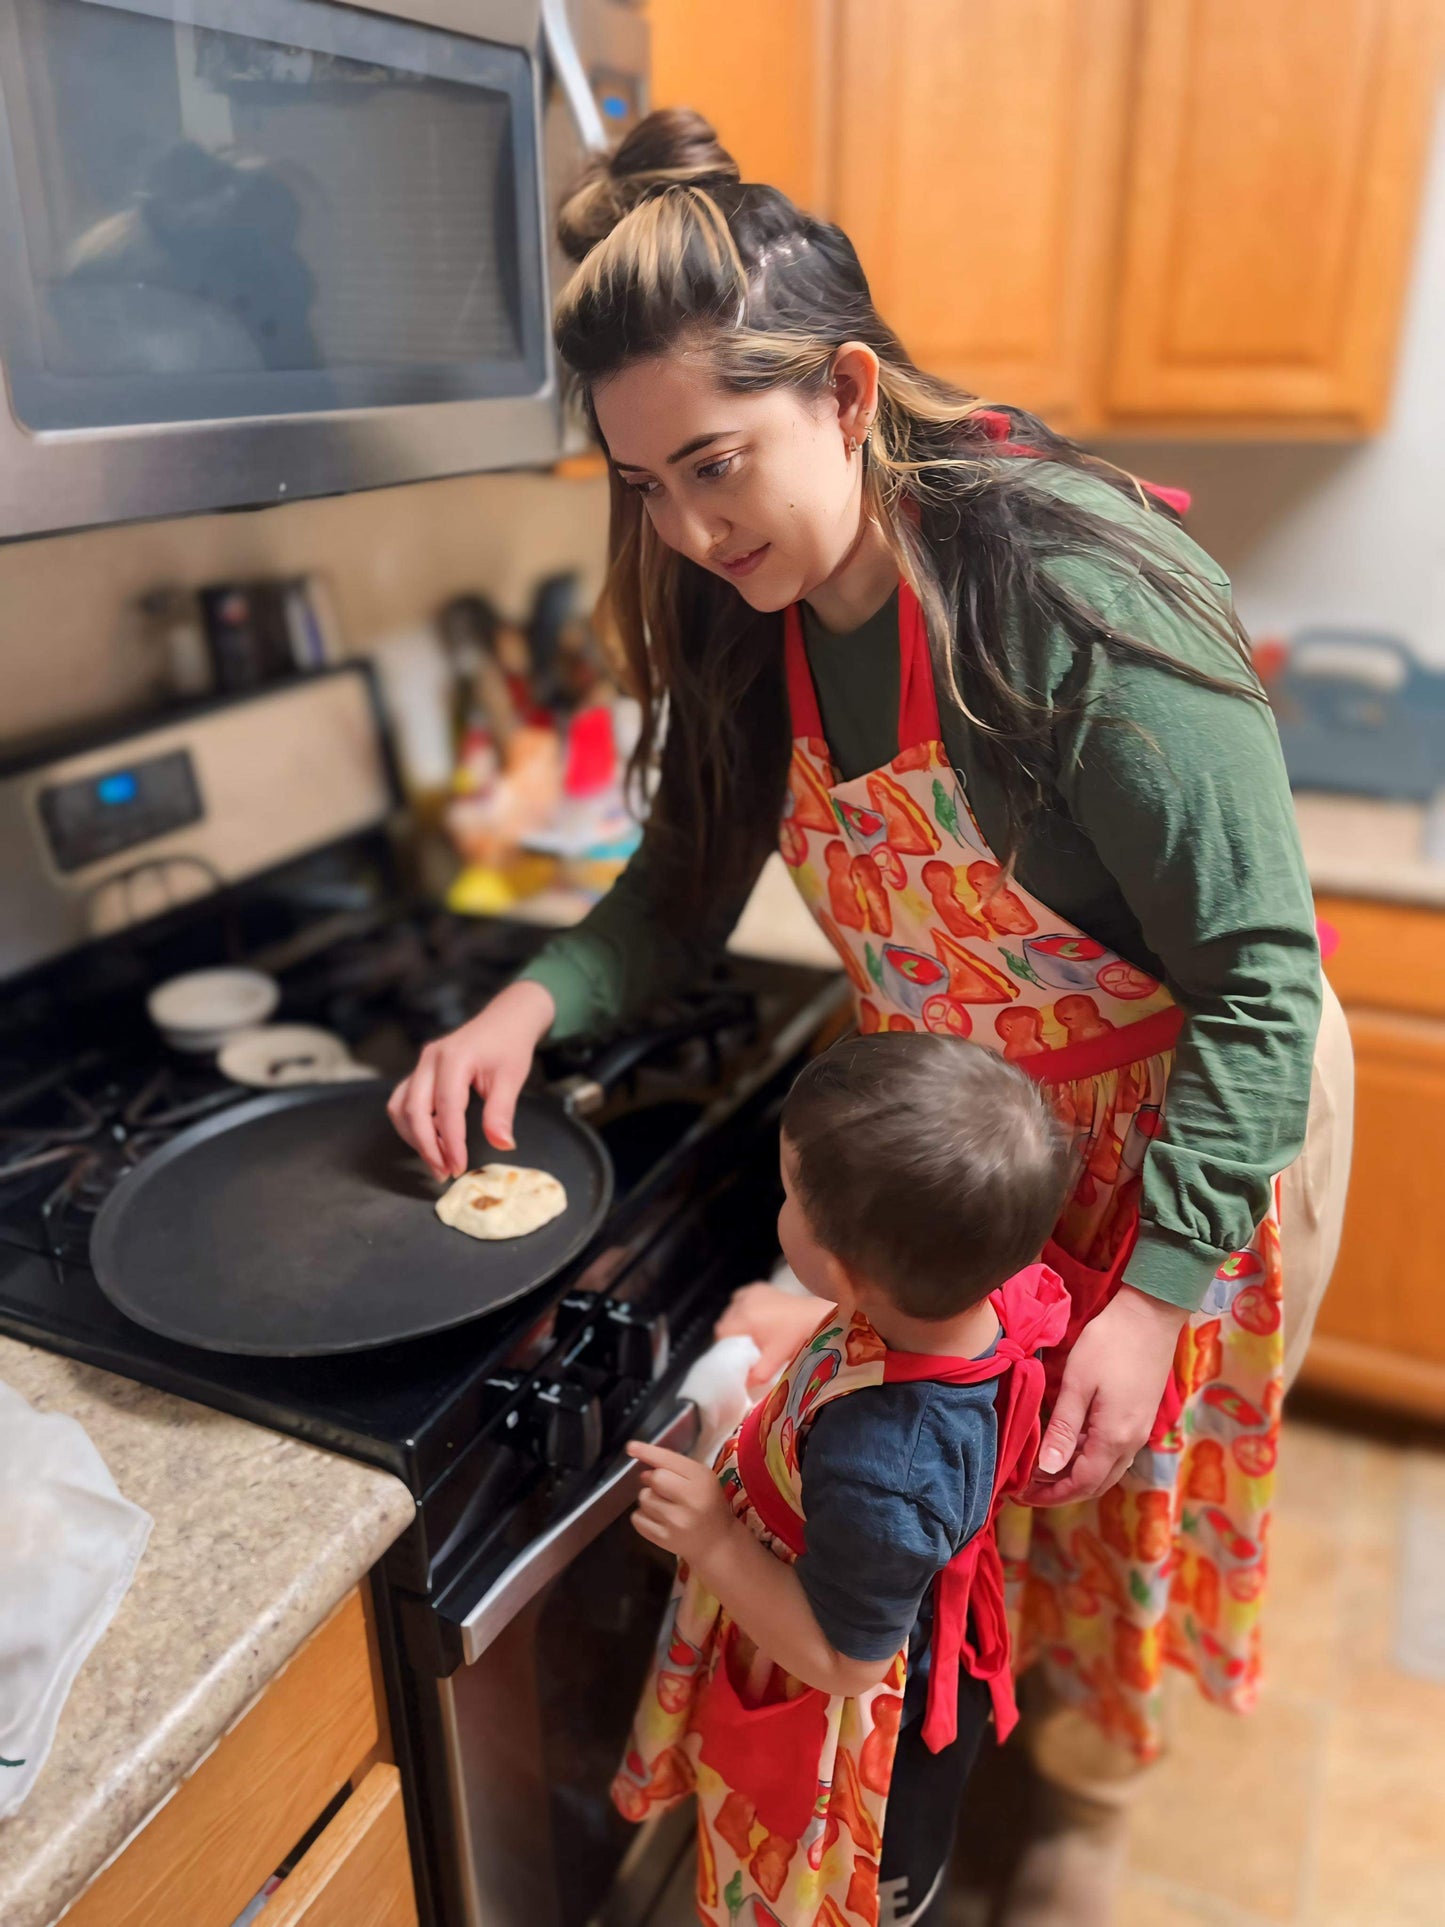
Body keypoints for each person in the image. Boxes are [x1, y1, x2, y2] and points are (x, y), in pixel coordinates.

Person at [387, 109, 1354, 1920]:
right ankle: (985, 1774)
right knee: (982, 1511)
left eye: (716, 462)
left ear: (845, 389)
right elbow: (680, 883)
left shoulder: (1066, 594)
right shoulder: (754, 611)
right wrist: (528, 999)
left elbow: (1259, 975)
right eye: (646, 485)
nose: (686, 523)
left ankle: (1072, 1819)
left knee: (1110, 1507)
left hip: (1187, 1135)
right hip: (963, 1146)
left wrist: (1151, 1297)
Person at [614, 1033, 1071, 1927]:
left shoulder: (883, 1471)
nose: (780, 1202)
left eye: (789, 1196)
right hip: (836, 1633)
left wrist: (711, 1535)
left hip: (857, 1740)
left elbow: (845, 1658)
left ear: (854, 1271)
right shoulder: (962, 1297)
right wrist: (811, 1314)